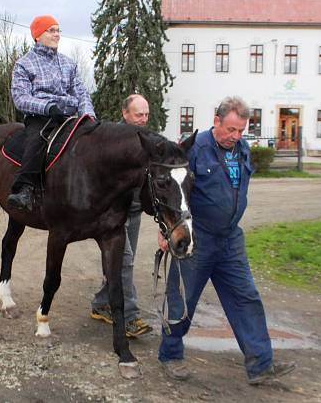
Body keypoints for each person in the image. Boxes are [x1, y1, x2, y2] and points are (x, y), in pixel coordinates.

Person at [158, 96, 296, 385]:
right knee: (181, 297)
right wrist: (167, 230)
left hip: (231, 239)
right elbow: (172, 191)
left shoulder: (242, 149)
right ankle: (171, 355)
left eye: (241, 131)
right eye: (231, 129)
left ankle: (261, 364)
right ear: (216, 121)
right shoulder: (194, 148)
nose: (236, 136)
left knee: (246, 297)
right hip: (198, 238)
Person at [7, 14, 95, 212]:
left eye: (58, 30)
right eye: (51, 30)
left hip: (69, 115)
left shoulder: (68, 63)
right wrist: (48, 108)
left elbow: (81, 93)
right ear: (38, 35)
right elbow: (21, 98)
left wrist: (88, 116)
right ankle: (25, 189)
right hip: (42, 117)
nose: (57, 35)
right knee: (37, 139)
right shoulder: (24, 64)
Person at [90, 94, 153, 338]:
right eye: (139, 114)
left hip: (134, 212)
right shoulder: (111, 140)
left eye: (146, 114)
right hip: (113, 214)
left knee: (121, 264)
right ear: (125, 113)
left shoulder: (145, 139)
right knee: (124, 262)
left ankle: (101, 303)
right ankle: (130, 318)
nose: (144, 119)